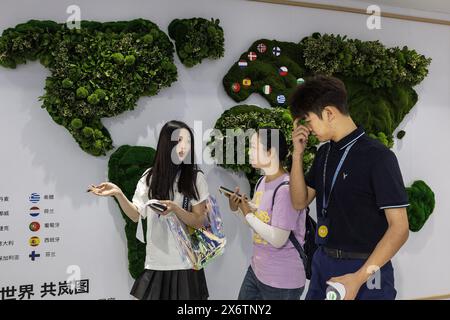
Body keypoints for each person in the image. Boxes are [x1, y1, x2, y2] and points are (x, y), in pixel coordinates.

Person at [289, 75, 410, 300]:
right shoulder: (323, 154)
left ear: (329, 113)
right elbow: (299, 201)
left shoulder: (378, 157)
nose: (309, 128)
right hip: (323, 261)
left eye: (309, 120)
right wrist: (297, 155)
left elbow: (400, 229)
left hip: (366, 268)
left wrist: (358, 277)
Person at [88, 120, 210, 300]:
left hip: (186, 263)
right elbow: (136, 215)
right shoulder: (149, 177)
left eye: (188, 142)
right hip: (156, 261)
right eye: (179, 141)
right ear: (166, 143)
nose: (184, 147)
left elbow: (200, 220)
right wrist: (119, 193)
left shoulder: (194, 178)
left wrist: (176, 209)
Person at [229, 127, 306, 300]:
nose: (249, 152)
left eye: (255, 147)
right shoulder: (262, 181)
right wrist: (239, 208)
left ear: (271, 153)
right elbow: (257, 224)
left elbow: (278, 239)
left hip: (282, 280)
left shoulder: (285, 189)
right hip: (257, 270)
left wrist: (247, 214)